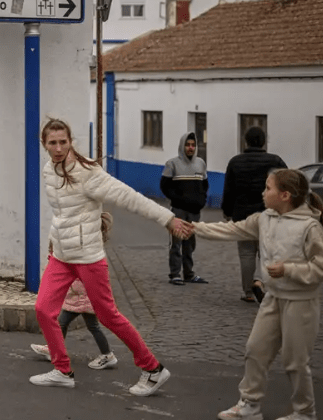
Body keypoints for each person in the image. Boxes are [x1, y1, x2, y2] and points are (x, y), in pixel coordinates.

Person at [29, 118, 192, 396]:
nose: (58, 148)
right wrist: (52, 242)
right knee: (44, 309)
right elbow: (62, 214)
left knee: (108, 316)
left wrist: (167, 218)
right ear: (43, 144)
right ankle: (62, 370)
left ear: (70, 142)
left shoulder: (87, 171)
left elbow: (128, 196)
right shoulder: (48, 170)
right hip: (62, 256)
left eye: (63, 142)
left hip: (88, 256)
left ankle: (153, 369)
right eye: (52, 143)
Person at [191, 169, 323, 420]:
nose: (263, 193)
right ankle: (250, 405)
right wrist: (194, 228)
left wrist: (289, 269)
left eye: (268, 188)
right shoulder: (264, 218)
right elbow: (231, 230)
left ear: (285, 195)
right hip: (272, 298)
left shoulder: (310, 227)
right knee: (255, 349)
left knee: (295, 361)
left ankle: (305, 412)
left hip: (301, 303)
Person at [30, 214, 117, 370]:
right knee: (74, 324)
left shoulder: (80, 256)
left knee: (74, 324)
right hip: (83, 299)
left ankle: (107, 355)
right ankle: (56, 350)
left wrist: (64, 287)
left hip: (83, 299)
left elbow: (78, 282)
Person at [221, 126, 287, 303]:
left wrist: (227, 212)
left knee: (246, 253)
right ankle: (262, 283)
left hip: (242, 214)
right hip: (269, 213)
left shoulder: (235, 162)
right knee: (268, 251)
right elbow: (287, 185)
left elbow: (229, 190)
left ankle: (247, 292)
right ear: (264, 141)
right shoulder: (275, 161)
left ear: (246, 141)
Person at [160, 132, 209, 285]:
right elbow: (165, 187)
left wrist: (201, 200)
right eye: (188, 145)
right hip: (178, 210)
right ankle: (175, 273)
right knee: (176, 242)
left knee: (190, 242)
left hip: (194, 211)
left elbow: (204, 185)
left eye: (193, 145)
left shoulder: (200, 163)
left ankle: (189, 273)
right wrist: (177, 199)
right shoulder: (172, 164)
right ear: (182, 146)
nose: (190, 148)